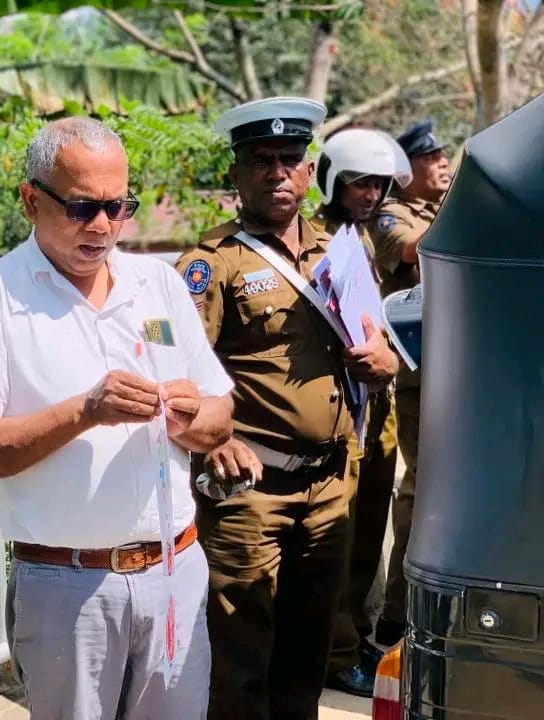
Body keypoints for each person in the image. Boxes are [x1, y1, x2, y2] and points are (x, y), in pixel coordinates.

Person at [0, 117, 235, 720]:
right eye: (81, 207)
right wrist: (85, 411)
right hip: (66, 587)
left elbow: (219, 414)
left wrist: (187, 418)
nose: (102, 226)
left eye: (117, 207)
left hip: (173, 570)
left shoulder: (157, 283)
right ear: (30, 200)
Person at [175, 97, 400, 720]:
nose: (277, 172)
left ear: (308, 171)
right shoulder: (211, 264)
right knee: (240, 656)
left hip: (330, 482)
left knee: (307, 653)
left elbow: (377, 338)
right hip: (251, 490)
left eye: (290, 160)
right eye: (261, 160)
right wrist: (215, 438)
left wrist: (384, 361)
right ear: (236, 175)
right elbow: (179, 372)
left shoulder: (343, 250)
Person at [311, 128, 412, 696]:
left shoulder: (362, 239)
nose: (371, 194)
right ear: (332, 182)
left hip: (379, 403)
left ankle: (354, 634)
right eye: (358, 183)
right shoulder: (317, 242)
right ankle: (336, 650)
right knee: (342, 534)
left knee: (370, 529)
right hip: (342, 407)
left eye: (378, 184)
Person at [368, 119, 452, 647]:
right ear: (407, 170)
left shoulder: (440, 209)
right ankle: (397, 614)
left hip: (457, 370)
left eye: (444, 156)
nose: (442, 164)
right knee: (420, 490)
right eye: (431, 157)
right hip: (421, 379)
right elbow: (411, 252)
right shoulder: (391, 215)